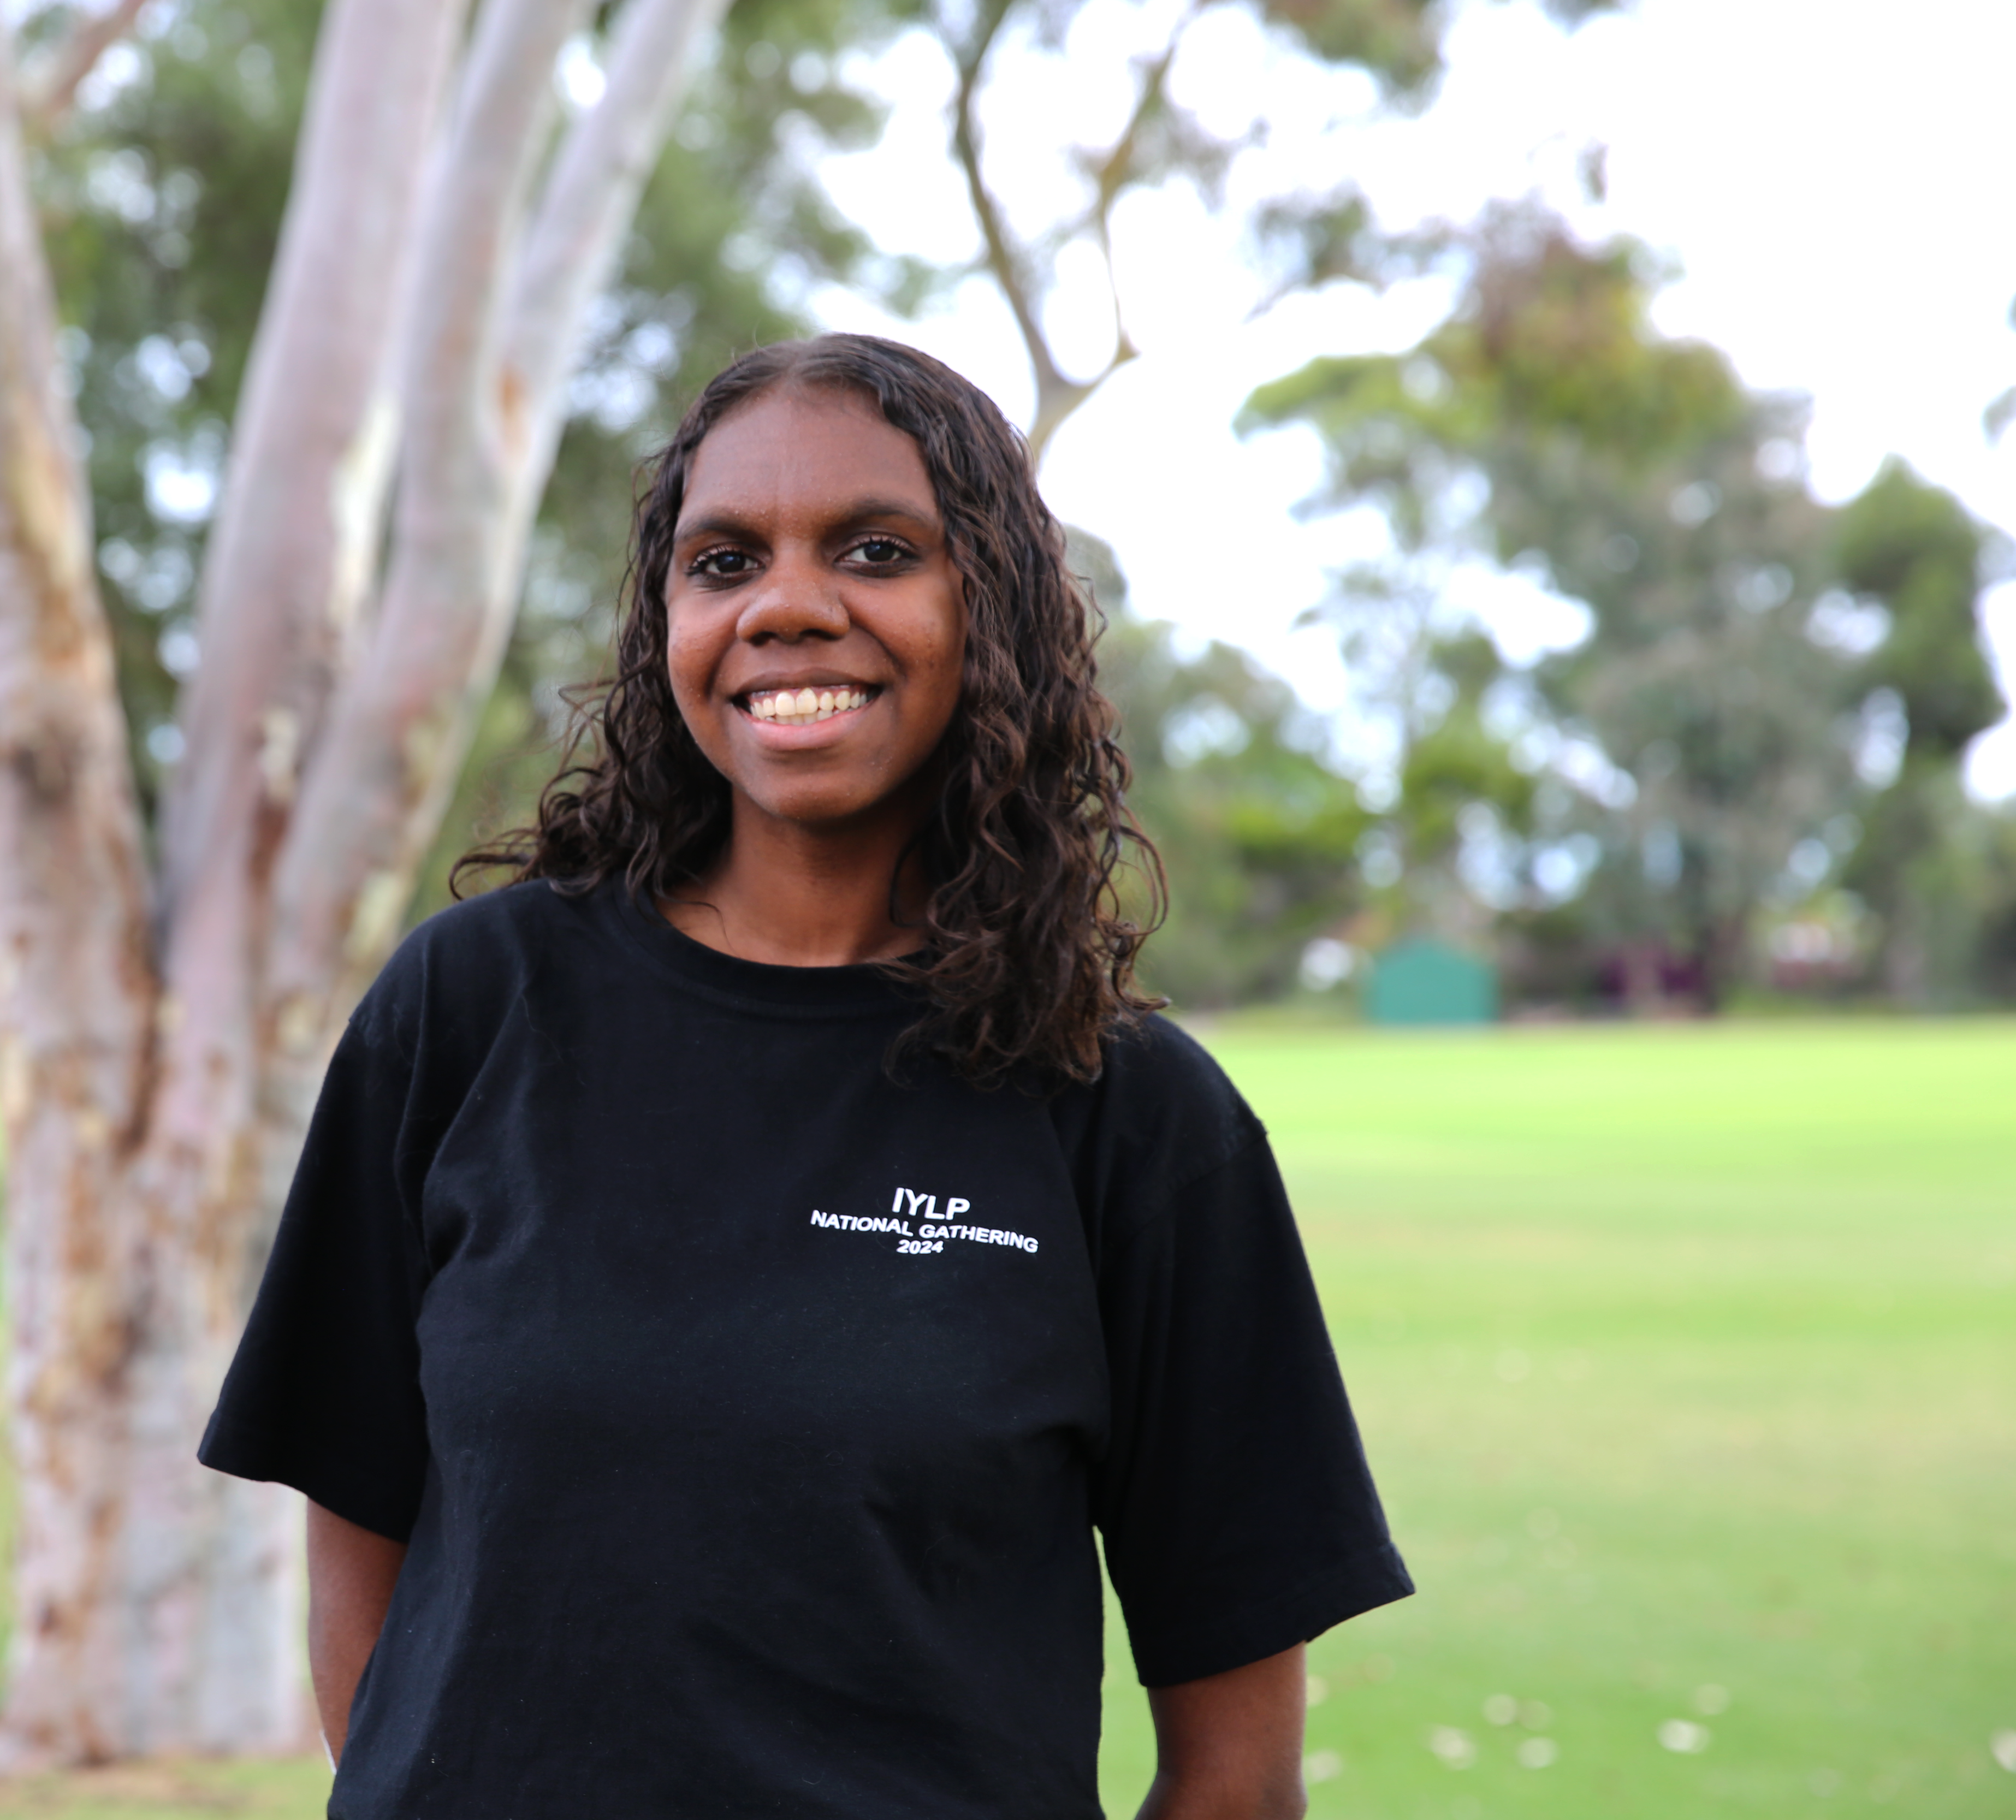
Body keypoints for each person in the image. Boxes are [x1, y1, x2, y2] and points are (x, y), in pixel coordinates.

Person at [199, 334, 1410, 1818]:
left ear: (994, 610)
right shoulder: (469, 1011)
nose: (786, 606)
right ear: (668, 628)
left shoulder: (1135, 1116)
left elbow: (1236, 1773)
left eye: (877, 550)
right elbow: (369, 1593)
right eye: (723, 563)